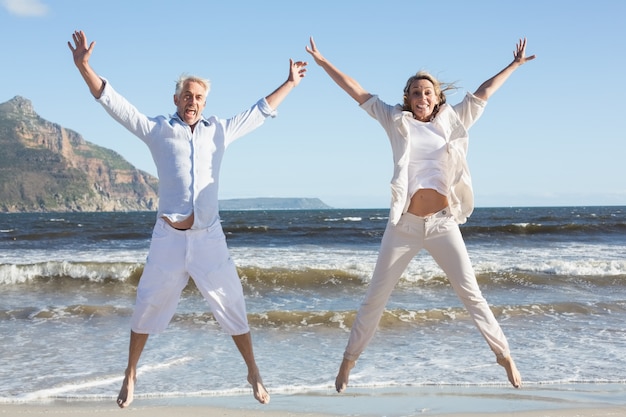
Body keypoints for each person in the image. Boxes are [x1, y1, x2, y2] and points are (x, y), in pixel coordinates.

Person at [68, 30, 307, 408]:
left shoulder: (220, 131)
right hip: (169, 237)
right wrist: (85, 66)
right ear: (176, 99)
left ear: (205, 102)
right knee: (147, 303)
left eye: (199, 97)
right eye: (187, 96)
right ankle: (130, 374)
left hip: (209, 238)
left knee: (233, 303)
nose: (192, 102)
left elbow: (260, 110)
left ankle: (253, 371)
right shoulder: (158, 130)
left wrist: (290, 82)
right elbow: (115, 104)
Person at [305, 37, 535, 392]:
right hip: (405, 225)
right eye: (415, 92)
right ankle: (348, 361)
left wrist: (514, 65)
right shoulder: (395, 120)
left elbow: (484, 92)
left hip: (443, 222)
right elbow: (358, 91)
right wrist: (322, 62)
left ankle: (505, 356)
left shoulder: (455, 119)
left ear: (437, 97)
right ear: (408, 98)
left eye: (427, 92)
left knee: (470, 293)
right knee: (376, 296)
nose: (422, 97)